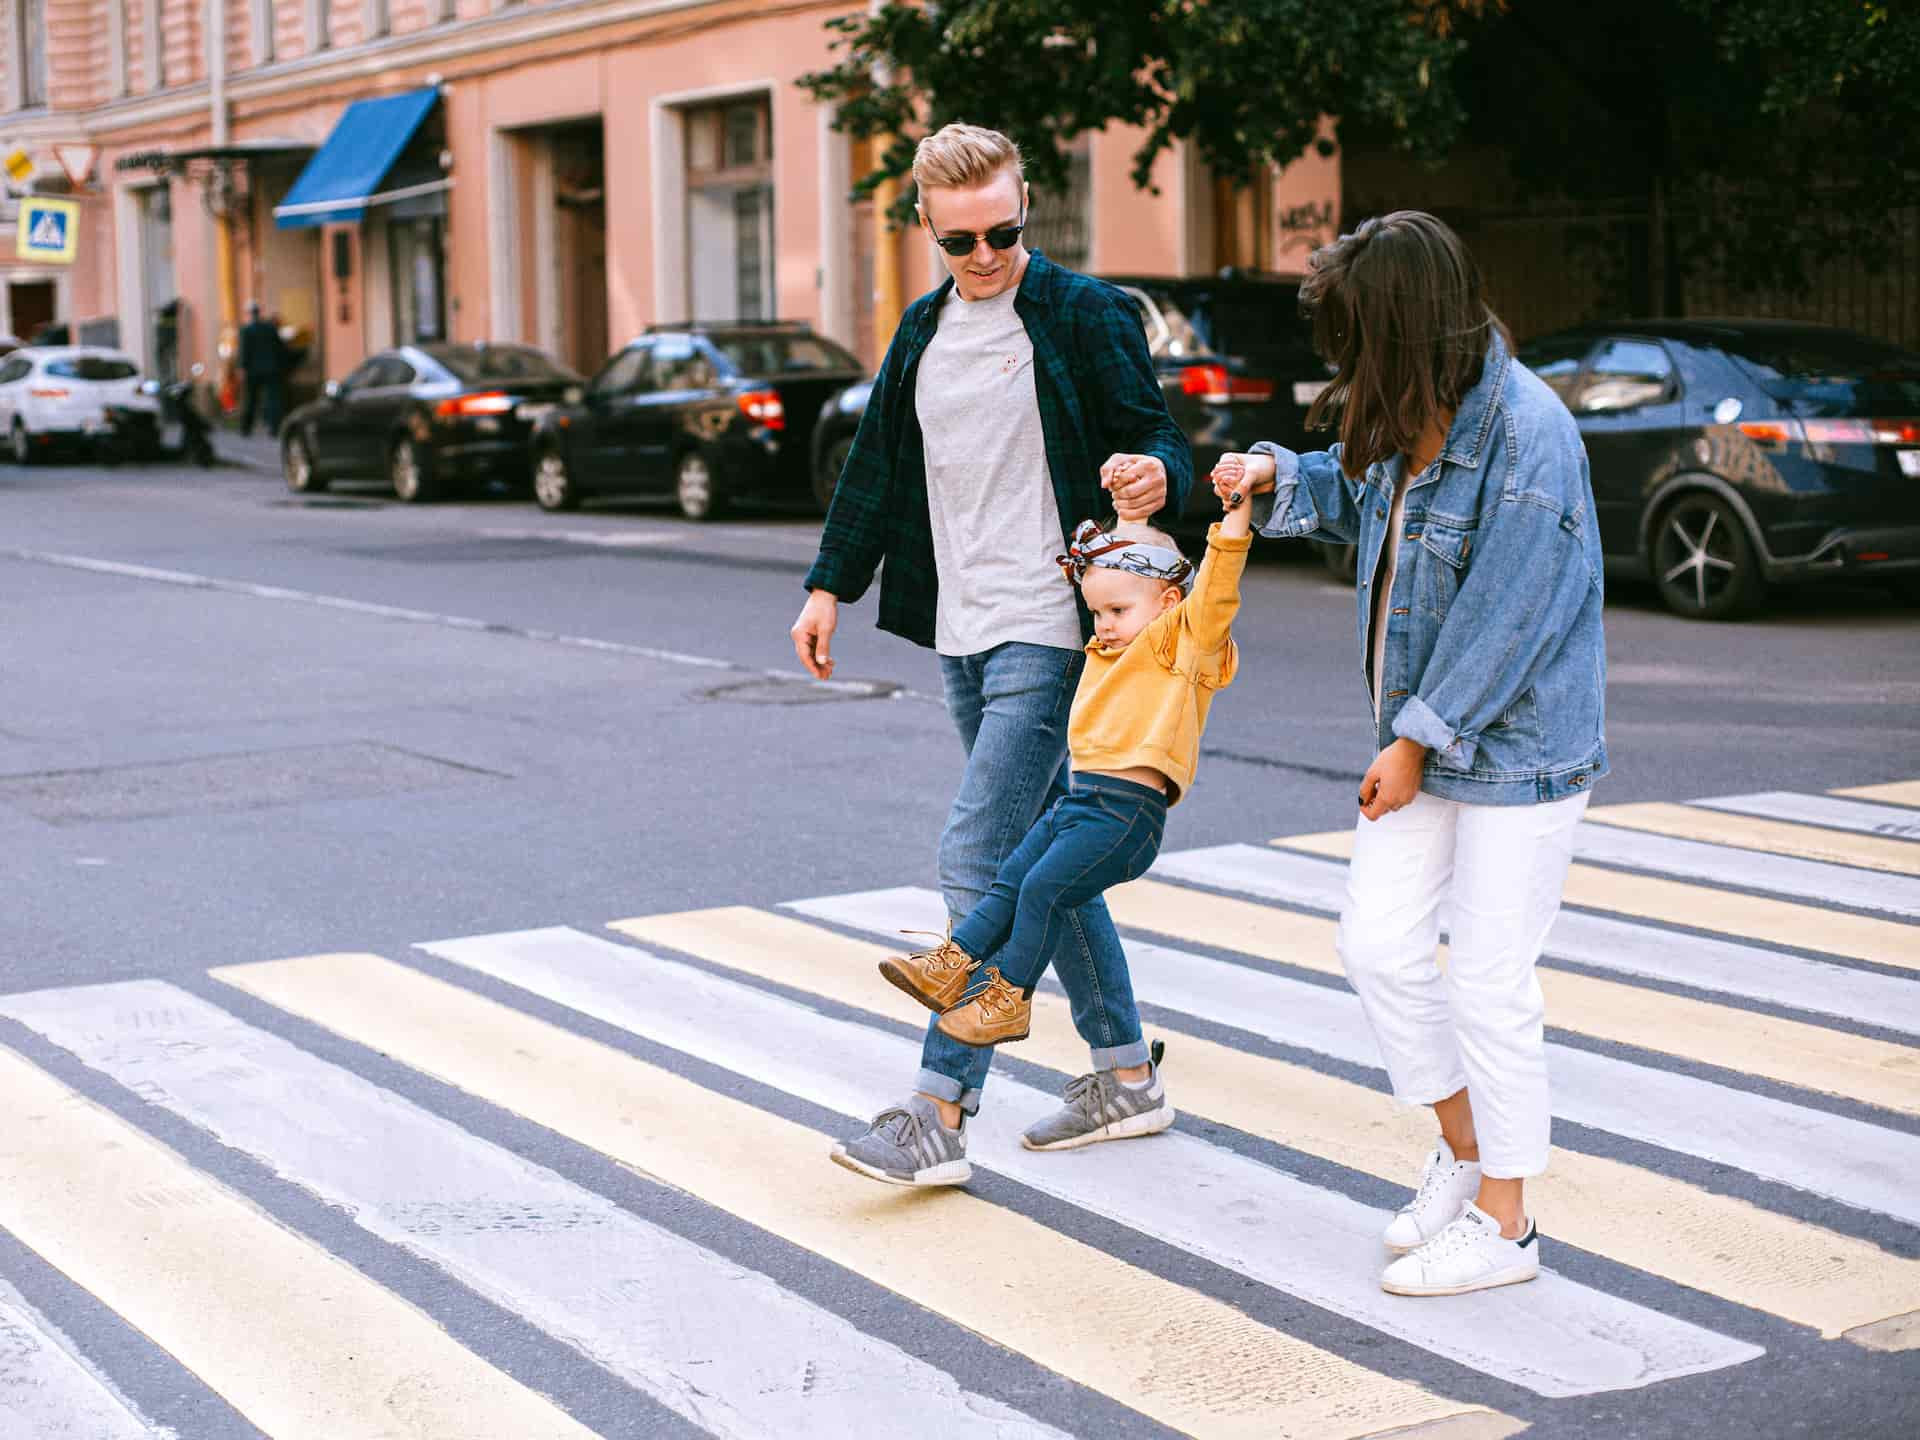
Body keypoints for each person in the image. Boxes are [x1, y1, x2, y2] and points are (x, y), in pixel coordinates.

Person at [1211, 210, 1607, 1298]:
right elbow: (1348, 493)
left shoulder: (1528, 438)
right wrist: (1268, 476)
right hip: (1421, 739)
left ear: (1401, 326)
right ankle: (1466, 1149)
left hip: (1517, 750)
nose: (1341, 361)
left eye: (1353, 337)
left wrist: (1418, 741)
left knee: (1487, 979)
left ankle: (1510, 1224)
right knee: (1377, 947)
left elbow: (1512, 615)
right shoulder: (1405, 404)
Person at [791, 122, 1192, 1186]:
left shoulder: (1080, 312)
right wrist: (831, 584)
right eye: (961, 240)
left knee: (979, 860)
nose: (985, 256)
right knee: (1047, 863)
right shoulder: (923, 331)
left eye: (1003, 232)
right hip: (961, 626)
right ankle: (1125, 1075)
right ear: (927, 226)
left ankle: (937, 1113)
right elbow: (877, 465)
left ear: (1028, 213)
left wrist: (1154, 475)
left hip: (1053, 622)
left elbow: (1156, 434)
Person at [884, 495, 1250, 1054]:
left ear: (1171, 601)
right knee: (1012, 879)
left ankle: (1008, 1000)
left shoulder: (1183, 647)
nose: (1103, 626)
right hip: (1082, 806)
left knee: (1042, 891)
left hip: (1126, 817)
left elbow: (1217, 585)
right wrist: (1128, 523)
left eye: (1117, 613)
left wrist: (1236, 513)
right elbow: (1131, 570)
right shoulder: (1109, 647)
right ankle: (952, 964)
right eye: (1096, 613)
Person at [237, 301, 290, 437]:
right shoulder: (270, 328)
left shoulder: (246, 330)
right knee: (273, 399)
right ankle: (274, 429)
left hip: (253, 371)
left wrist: (242, 368)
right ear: (259, 312)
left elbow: (244, 352)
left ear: (249, 313)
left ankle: (246, 429)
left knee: (251, 400)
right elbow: (280, 348)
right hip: (271, 369)